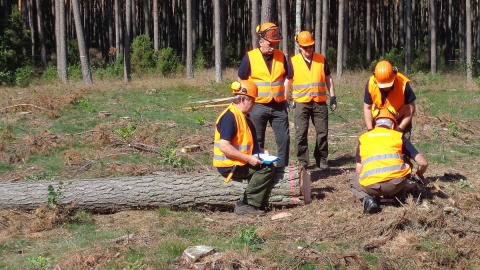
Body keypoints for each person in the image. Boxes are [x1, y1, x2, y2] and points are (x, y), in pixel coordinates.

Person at [213, 80, 275, 216]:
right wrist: (248, 158)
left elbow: (247, 141)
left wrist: (261, 151)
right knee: (266, 169)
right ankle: (246, 204)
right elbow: (224, 146)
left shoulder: (244, 116)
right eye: (252, 101)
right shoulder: (229, 117)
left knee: (268, 165)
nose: (254, 105)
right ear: (242, 99)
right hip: (230, 165)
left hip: (239, 161)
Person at [349, 108, 428, 214]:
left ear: (375, 125)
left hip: (372, 187)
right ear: (392, 126)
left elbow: (359, 169)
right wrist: (417, 175)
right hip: (397, 184)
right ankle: (399, 195)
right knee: (405, 162)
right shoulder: (398, 136)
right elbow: (423, 163)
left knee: (352, 178)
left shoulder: (363, 138)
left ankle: (367, 199)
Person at [238, 22, 291, 173]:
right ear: (261, 41)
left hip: (279, 106)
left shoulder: (281, 56)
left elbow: (288, 77)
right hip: (257, 106)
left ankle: (282, 172)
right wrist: (247, 101)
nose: (273, 46)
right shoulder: (250, 57)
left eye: (275, 43)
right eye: (270, 43)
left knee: (284, 140)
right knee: (257, 140)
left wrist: (286, 97)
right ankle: (259, 171)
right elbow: (242, 78)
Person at [286, 30, 337, 170]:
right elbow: (287, 81)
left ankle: (322, 159)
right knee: (300, 132)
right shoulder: (293, 61)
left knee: (322, 132)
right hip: (301, 102)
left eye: (310, 46)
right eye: (305, 47)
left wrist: (332, 97)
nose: (308, 49)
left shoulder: (321, 59)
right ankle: (303, 161)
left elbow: (328, 78)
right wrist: (286, 99)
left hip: (319, 102)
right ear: (299, 47)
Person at [363, 60, 416, 140]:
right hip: (379, 121)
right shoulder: (371, 84)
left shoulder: (403, 85)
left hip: (400, 119)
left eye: (389, 84)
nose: (386, 88)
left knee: (402, 146)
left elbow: (411, 109)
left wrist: (400, 128)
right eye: (383, 86)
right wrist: (370, 129)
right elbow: (367, 108)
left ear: (394, 74)